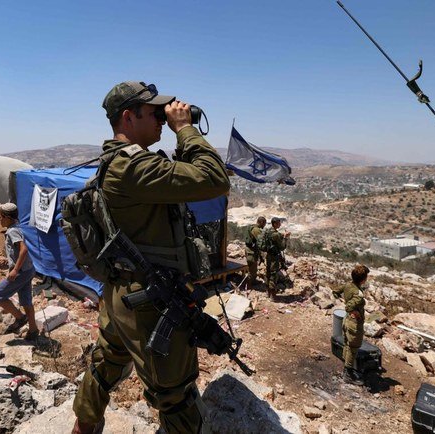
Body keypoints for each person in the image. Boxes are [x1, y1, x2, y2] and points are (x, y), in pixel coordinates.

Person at [71, 81, 230, 434]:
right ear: (128, 117)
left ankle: (83, 427)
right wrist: (185, 129)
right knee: (175, 393)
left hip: (122, 294)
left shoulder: (119, 162)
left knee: (108, 360)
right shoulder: (132, 168)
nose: (162, 119)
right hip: (150, 303)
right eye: (154, 113)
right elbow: (214, 178)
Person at [0, 202, 39, 341]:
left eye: (0, 217)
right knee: (26, 301)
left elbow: (24, 249)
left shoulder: (12, 231)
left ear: (7, 217)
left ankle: (20, 317)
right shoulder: (17, 227)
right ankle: (33, 330)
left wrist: (15, 270)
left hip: (21, 271)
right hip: (28, 269)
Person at [341, 264, 369, 386]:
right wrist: (355, 313)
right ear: (363, 279)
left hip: (347, 321)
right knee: (353, 348)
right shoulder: (359, 294)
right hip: (354, 324)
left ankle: (347, 369)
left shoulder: (349, 285)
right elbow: (348, 307)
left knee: (348, 345)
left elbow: (337, 291)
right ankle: (348, 374)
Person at [264, 217, 291, 298]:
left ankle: (267, 292)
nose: (280, 224)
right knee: (273, 274)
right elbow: (282, 247)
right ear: (275, 223)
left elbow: (276, 235)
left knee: (268, 273)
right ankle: (272, 295)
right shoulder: (275, 234)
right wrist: (286, 238)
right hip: (274, 257)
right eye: (279, 223)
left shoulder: (269, 231)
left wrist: (282, 235)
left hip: (268, 255)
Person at [244, 216, 266, 288]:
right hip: (251, 252)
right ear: (261, 222)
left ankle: (252, 281)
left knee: (253, 268)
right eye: (264, 224)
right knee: (252, 270)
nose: (264, 226)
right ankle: (249, 285)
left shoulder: (252, 227)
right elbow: (261, 242)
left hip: (251, 251)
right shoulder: (256, 230)